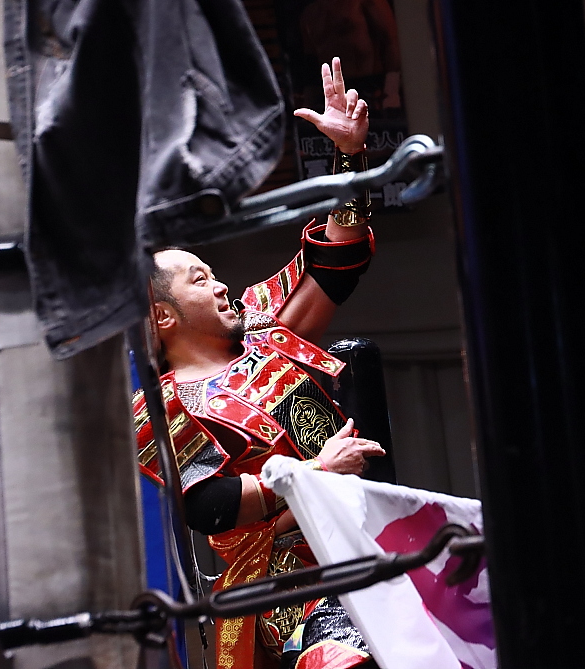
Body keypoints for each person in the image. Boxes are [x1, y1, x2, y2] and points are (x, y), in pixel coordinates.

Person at [134, 58, 385, 669]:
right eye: (200, 280)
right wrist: (311, 474)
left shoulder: (262, 323)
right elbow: (208, 504)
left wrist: (348, 160)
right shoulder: (158, 405)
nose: (221, 285)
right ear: (163, 315)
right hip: (283, 576)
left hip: (368, 529)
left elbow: (337, 262)